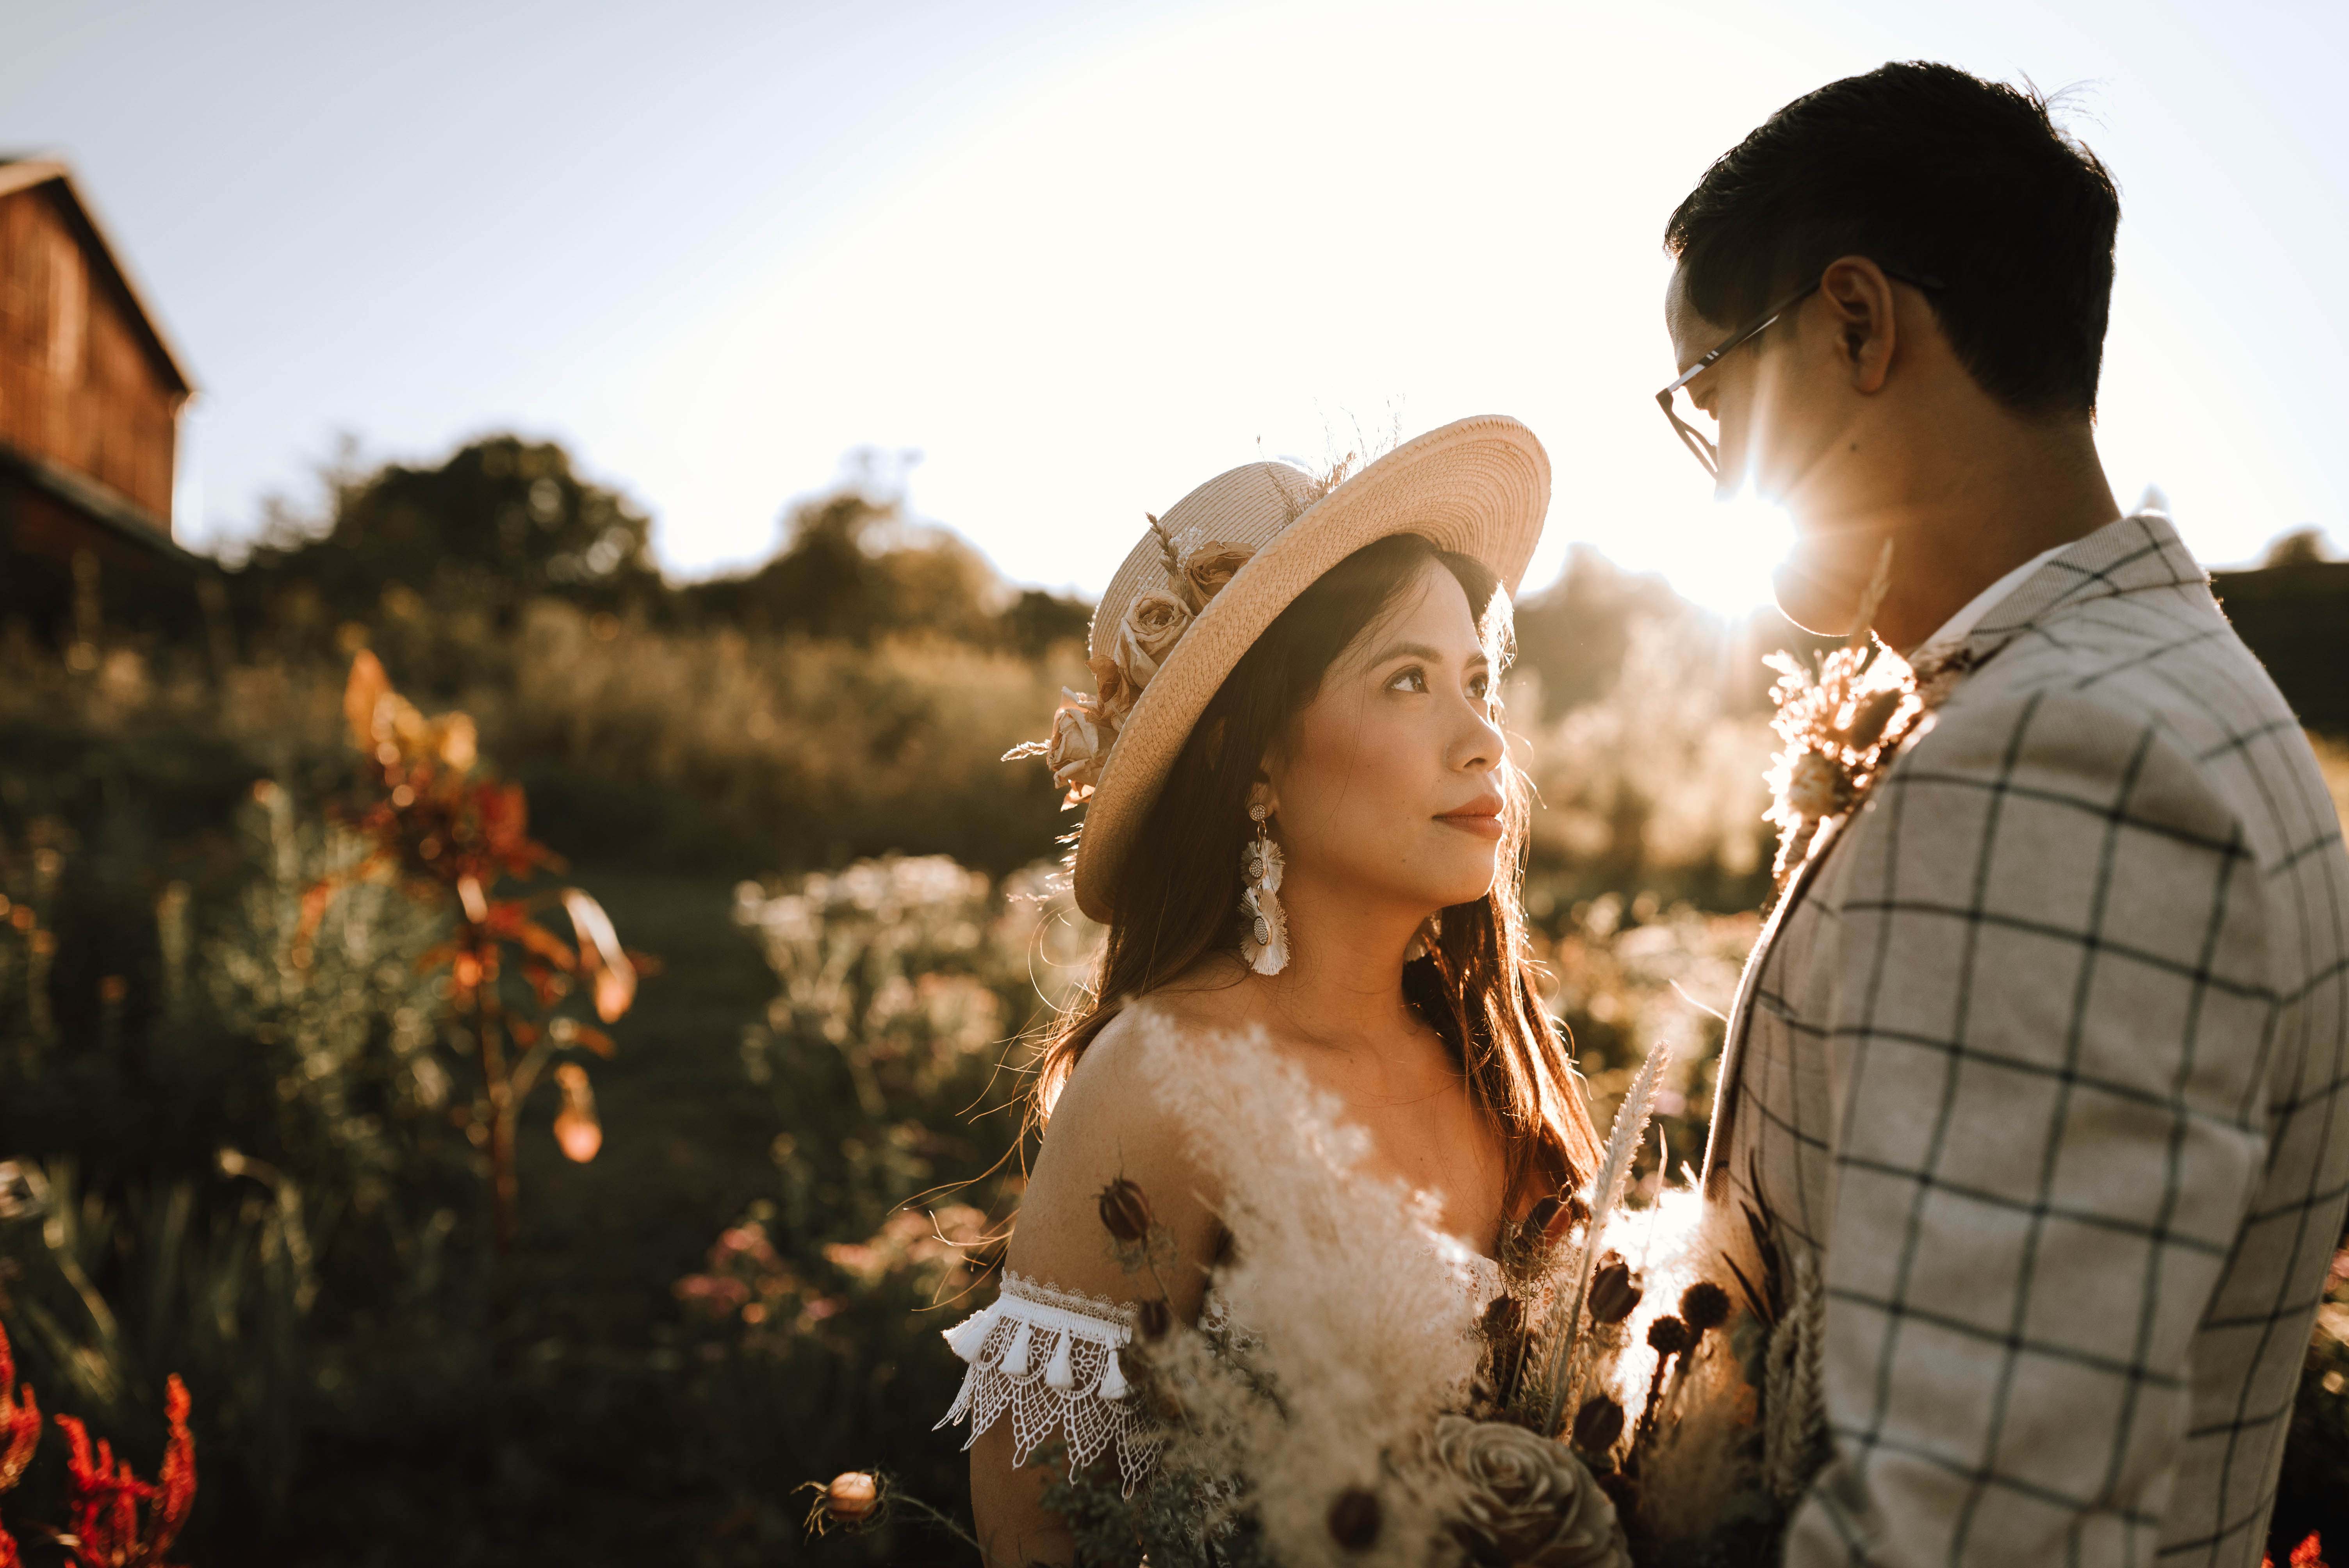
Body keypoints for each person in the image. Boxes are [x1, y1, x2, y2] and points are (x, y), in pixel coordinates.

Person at [1661, 62, 2349, 1564]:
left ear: (1857, 323)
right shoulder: (2158, 694)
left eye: (1710, 392)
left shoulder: (2065, 769)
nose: (1713, 469)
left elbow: (1973, 1526)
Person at [936, 418, 1606, 1565]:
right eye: (1408, 681)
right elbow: (1043, 1543)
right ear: (1254, 761)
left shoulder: (1499, 1060)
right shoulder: (1162, 1080)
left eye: (1478, 681)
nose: (1485, 737)